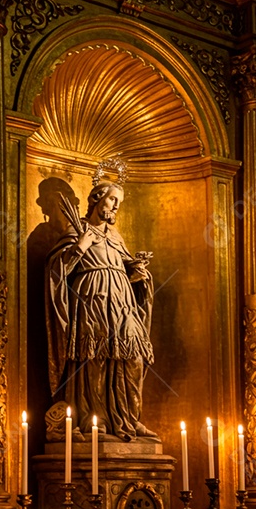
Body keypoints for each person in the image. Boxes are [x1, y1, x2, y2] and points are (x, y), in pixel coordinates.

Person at [45, 181, 157, 441]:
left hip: (122, 301)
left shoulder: (116, 237)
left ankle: (130, 417)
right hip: (91, 298)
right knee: (94, 357)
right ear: (97, 198)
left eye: (119, 202)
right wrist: (81, 246)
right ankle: (96, 419)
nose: (116, 206)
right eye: (112, 199)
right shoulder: (78, 229)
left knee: (134, 358)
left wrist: (137, 272)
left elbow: (125, 266)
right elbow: (57, 270)